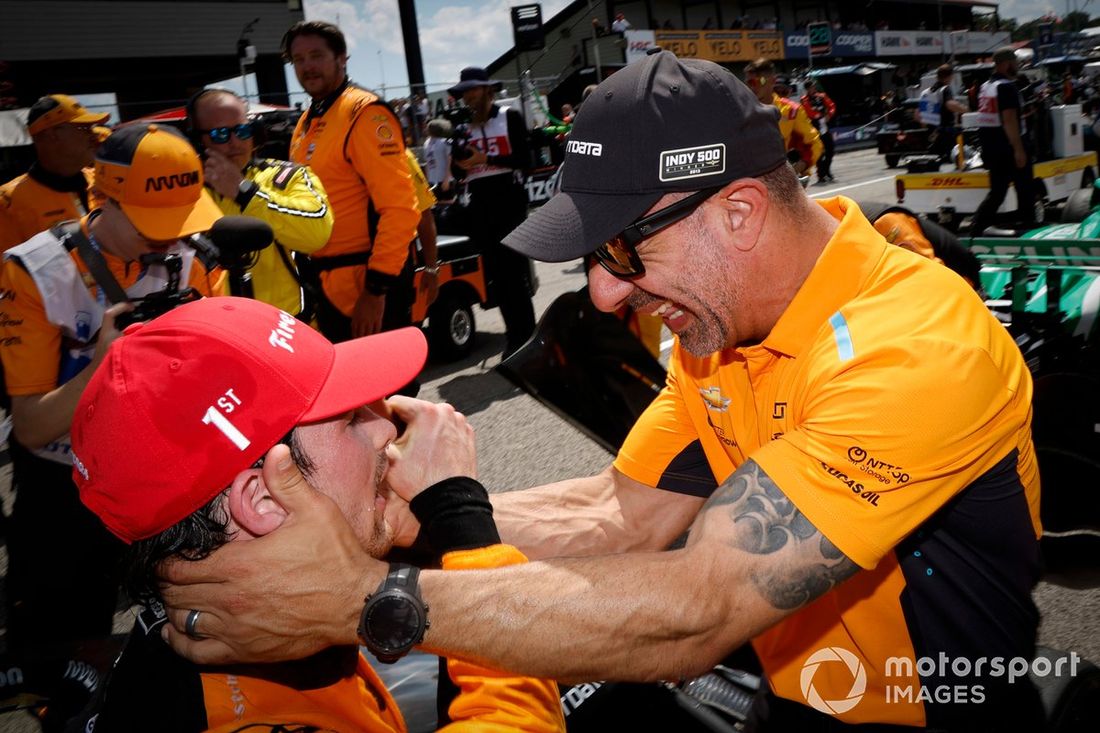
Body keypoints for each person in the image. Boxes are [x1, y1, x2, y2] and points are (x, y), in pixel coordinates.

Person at [160, 52, 1044, 731]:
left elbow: (698, 606)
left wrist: (356, 599)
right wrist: (393, 518)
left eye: (622, 252)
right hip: (802, 700)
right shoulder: (719, 331)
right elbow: (620, 513)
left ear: (738, 213)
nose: (606, 293)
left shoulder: (912, 349)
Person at [64, 296, 564, 732]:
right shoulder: (249, 717)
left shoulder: (225, 628)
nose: (385, 428)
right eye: (350, 419)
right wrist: (462, 519)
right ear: (263, 500)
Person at [0, 123, 223, 669]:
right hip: (63, 491)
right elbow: (30, 428)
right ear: (103, 198)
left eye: (180, 220)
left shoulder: (199, 256)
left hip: (164, 477)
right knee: (59, 660)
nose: (171, 238)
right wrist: (104, 367)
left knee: (195, 650)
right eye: (153, 223)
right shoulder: (33, 270)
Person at [282, 20, 420, 341]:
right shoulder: (307, 119)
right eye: (299, 60)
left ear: (341, 58)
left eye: (316, 55)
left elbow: (400, 209)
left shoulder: (365, 113)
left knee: (387, 387)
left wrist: (376, 291)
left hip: (369, 285)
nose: (307, 67)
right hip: (325, 283)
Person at [186, 87, 333, 317]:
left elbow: (318, 233)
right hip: (217, 334)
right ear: (197, 142)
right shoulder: (184, 193)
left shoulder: (287, 177)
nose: (235, 142)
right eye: (220, 134)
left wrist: (245, 193)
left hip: (287, 327)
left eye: (243, 131)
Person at [447, 66, 536, 356]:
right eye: (463, 93)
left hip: (508, 198)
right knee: (496, 276)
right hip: (480, 202)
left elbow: (526, 159)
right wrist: (460, 165)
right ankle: (515, 337)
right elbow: (455, 172)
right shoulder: (462, 127)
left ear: (487, 90)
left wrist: (487, 157)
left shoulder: (508, 117)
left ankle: (526, 338)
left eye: (472, 91)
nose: (468, 98)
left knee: (515, 273)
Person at [0, 94, 107, 251]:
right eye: (84, 127)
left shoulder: (104, 182)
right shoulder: (8, 202)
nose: (93, 134)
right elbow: (7, 272)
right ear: (53, 134)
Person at [971, 47, 1037, 236]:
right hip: (1009, 147)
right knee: (1025, 190)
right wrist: (1018, 149)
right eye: (1015, 63)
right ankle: (1028, 231)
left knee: (997, 192)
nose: (1017, 66)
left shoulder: (986, 87)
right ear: (1006, 64)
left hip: (992, 148)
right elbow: (1009, 120)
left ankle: (977, 229)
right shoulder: (1006, 87)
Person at [745, 59, 822, 176]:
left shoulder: (792, 111)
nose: (753, 87)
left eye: (759, 81)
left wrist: (798, 168)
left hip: (782, 182)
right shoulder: (740, 110)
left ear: (772, 81)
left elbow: (814, 143)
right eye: (749, 82)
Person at [918, 64, 968, 163]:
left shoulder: (926, 92)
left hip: (931, 134)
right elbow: (950, 104)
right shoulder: (945, 89)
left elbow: (918, 114)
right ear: (950, 76)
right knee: (955, 158)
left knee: (935, 162)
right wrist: (966, 110)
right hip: (946, 133)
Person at [800, 78, 838, 183]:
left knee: (830, 149)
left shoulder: (822, 96)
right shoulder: (804, 99)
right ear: (807, 89)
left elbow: (832, 106)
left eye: (813, 86)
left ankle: (827, 171)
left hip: (824, 126)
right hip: (814, 127)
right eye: (811, 87)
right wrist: (820, 116)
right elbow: (809, 112)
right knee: (819, 152)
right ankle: (821, 175)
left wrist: (829, 115)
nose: (813, 88)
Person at [423, 117, 455, 199]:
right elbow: (427, 162)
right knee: (436, 207)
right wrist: (426, 181)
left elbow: (449, 160)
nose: (426, 129)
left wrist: (447, 179)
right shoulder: (426, 143)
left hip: (444, 179)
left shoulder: (444, 141)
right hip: (432, 180)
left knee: (447, 204)